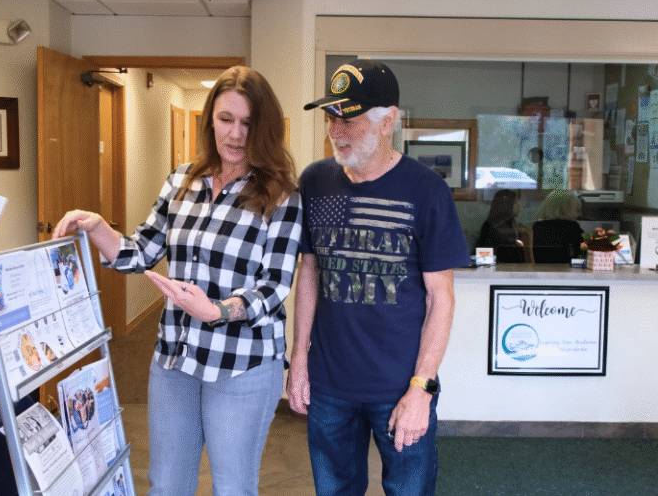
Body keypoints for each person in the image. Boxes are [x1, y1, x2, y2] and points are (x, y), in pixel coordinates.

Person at [52, 65, 302, 495]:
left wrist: (218, 310)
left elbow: (274, 285)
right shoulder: (182, 182)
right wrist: (97, 228)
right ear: (210, 121)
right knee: (167, 484)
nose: (236, 134)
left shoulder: (281, 195)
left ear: (265, 128)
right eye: (226, 120)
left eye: (248, 123)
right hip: (175, 359)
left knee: (233, 486)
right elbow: (139, 251)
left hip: (241, 363)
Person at [287, 58, 471, 496]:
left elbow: (440, 300)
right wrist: (298, 360)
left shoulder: (426, 190)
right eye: (332, 117)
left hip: (400, 385)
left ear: (388, 120)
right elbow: (310, 272)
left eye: (349, 119)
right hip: (330, 383)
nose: (336, 129)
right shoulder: (316, 180)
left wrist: (421, 389)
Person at [476, 189, 534, 263]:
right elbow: (484, 260)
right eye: (516, 202)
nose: (518, 206)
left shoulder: (509, 224)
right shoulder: (494, 227)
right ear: (507, 205)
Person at [532, 189, 584, 263]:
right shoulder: (571, 227)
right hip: (564, 271)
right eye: (577, 210)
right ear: (568, 209)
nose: (579, 215)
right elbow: (582, 252)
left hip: (540, 270)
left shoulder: (538, 226)